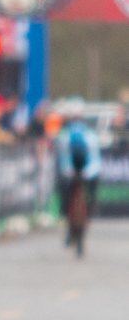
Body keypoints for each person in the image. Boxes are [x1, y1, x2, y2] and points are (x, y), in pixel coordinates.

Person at [55, 103, 100, 240]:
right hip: (75, 169)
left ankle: (85, 213)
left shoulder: (85, 134)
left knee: (88, 193)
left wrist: (87, 171)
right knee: (66, 191)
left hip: (85, 169)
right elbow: (63, 156)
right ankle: (67, 214)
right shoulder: (67, 134)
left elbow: (94, 157)